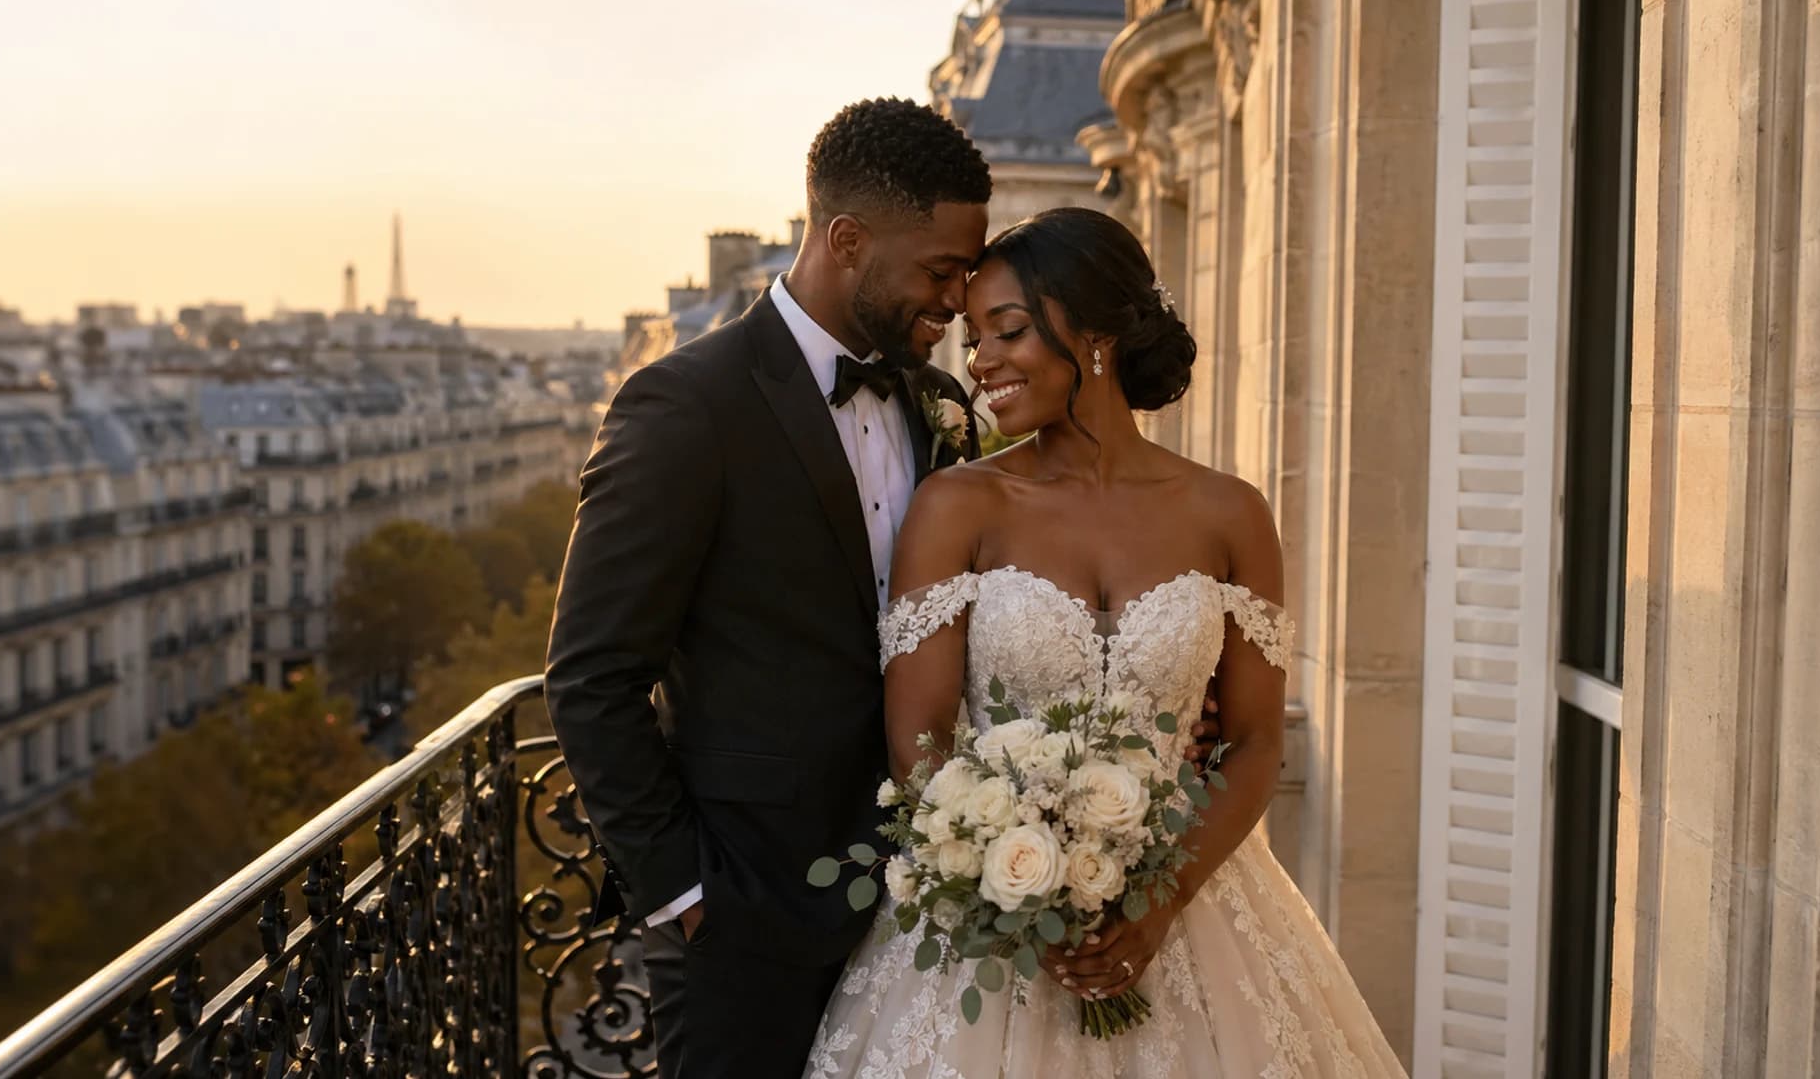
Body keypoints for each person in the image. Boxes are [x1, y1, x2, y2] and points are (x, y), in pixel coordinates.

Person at [804, 207, 1407, 1078]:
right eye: (974, 338)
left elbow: (1253, 740)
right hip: (996, 928)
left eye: (1008, 330)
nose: (980, 363)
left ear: (1095, 335)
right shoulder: (958, 506)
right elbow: (921, 742)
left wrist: (1160, 903)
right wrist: (1022, 893)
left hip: (1193, 903)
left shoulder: (1231, 514)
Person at [544, 97, 990, 1078]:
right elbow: (589, 677)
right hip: (743, 925)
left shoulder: (939, 402)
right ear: (847, 240)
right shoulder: (684, 404)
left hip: (922, 911)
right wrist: (685, 896)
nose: (960, 299)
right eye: (941, 270)